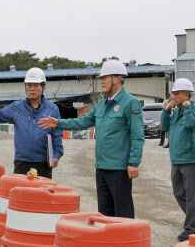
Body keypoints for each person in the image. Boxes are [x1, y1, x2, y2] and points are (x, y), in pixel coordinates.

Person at [38, 59, 144, 218]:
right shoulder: (101, 105)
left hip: (119, 168)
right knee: (104, 212)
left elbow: (137, 136)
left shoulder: (131, 103)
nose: (101, 81)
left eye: (105, 78)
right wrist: (58, 123)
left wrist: (133, 163)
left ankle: (124, 242)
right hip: (101, 167)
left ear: (118, 79)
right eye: (100, 78)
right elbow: (82, 122)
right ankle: (107, 242)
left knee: (123, 212)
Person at [0, 67, 63, 179]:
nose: (32, 89)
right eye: (29, 85)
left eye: (36, 85)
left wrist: (57, 154)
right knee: (20, 194)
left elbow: (57, 134)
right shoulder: (17, 108)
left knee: (43, 194)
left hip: (44, 162)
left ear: (43, 87)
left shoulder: (52, 109)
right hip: (22, 162)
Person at [161, 78, 195, 242]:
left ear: (187, 95)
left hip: (190, 159)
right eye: (172, 93)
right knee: (178, 193)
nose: (173, 96)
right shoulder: (175, 112)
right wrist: (167, 110)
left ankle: (190, 229)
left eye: (176, 93)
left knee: (191, 196)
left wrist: (187, 106)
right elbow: (165, 126)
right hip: (176, 159)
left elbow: (190, 124)